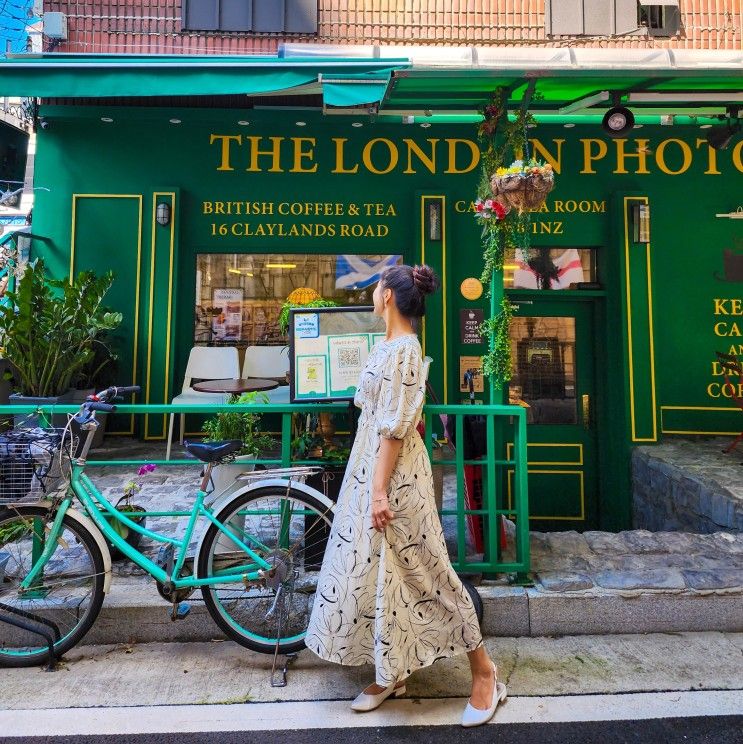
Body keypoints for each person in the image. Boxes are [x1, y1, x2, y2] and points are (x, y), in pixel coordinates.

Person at [305, 263, 506, 727]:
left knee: (428, 570)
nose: (373, 294)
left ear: (389, 296)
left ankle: (485, 671)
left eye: (376, 287)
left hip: (393, 478)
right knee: (377, 572)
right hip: (372, 470)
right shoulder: (392, 345)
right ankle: (390, 669)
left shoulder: (405, 351)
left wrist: (378, 492)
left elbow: (394, 430)